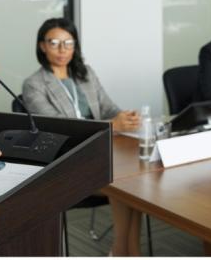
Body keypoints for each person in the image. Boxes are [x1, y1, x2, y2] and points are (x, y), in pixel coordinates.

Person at [22, 18, 141, 256]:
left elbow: (108, 108)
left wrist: (125, 117)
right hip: (66, 161)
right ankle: (123, 251)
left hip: (102, 153)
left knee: (133, 179)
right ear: (42, 46)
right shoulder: (34, 84)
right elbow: (61, 130)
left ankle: (127, 252)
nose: (62, 49)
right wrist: (112, 124)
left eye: (68, 43)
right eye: (54, 43)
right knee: (123, 181)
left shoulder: (85, 74)